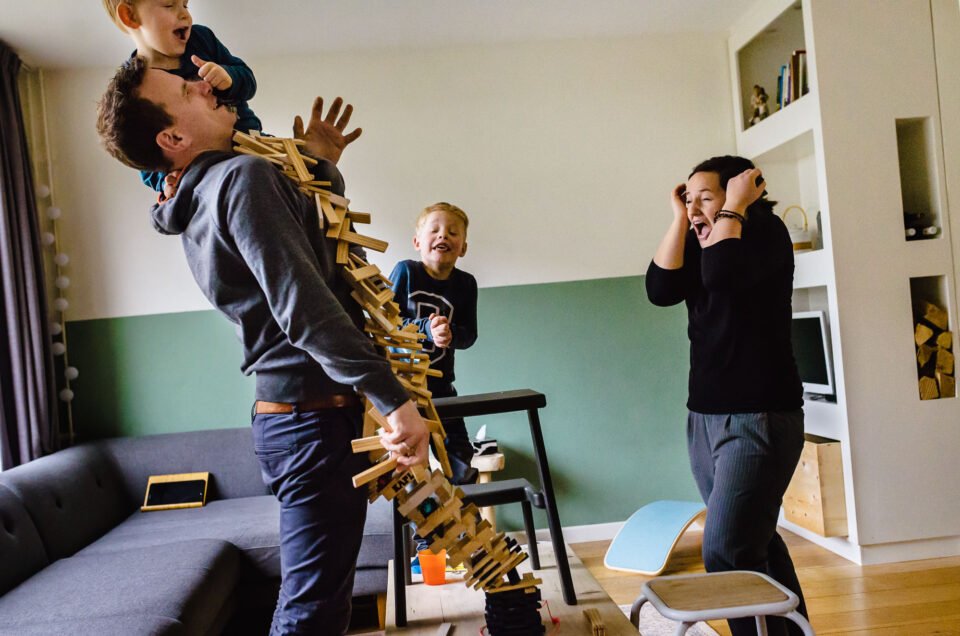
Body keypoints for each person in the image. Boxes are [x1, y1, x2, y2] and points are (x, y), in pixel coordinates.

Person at [96, 56, 428, 636]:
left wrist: (320, 166)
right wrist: (393, 400)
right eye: (185, 89)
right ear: (172, 136)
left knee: (323, 606)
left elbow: (315, 262)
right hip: (310, 420)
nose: (206, 83)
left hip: (299, 419)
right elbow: (306, 309)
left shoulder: (207, 193)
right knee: (313, 613)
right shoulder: (241, 180)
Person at [645, 155, 808, 636]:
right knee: (755, 542)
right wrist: (683, 218)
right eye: (688, 197)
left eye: (705, 198)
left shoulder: (765, 234)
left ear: (742, 194)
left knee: (725, 550)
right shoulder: (702, 241)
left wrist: (733, 207)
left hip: (760, 414)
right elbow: (660, 289)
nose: (695, 208)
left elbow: (723, 275)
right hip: (705, 417)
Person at [389, 203, 479, 560]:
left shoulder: (466, 284)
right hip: (405, 391)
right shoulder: (406, 273)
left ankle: (458, 529)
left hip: (443, 388)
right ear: (417, 242)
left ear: (463, 247)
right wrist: (426, 328)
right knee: (415, 467)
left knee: (460, 456)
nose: (444, 236)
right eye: (435, 230)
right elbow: (386, 323)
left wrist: (449, 334)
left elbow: (470, 334)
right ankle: (426, 539)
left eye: (453, 232)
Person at [102, 0, 262, 196]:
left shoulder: (201, 39)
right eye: (169, 5)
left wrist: (229, 79)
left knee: (299, 163)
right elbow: (145, 157)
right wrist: (165, 182)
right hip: (205, 168)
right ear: (130, 16)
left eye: (185, 5)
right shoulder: (136, 88)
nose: (185, 15)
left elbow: (248, 80)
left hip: (252, 139)